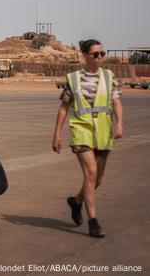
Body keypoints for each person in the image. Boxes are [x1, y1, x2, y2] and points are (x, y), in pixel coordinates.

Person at [52, 39, 123, 238]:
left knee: (97, 179)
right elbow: (64, 107)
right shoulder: (73, 79)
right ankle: (93, 221)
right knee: (90, 173)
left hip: (102, 131)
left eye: (102, 53)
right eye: (96, 54)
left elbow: (116, 102)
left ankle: (76, 202)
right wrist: (57, 134)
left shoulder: (110, 77)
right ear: (85, 56)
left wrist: (119, 123)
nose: (100, 57)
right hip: (81, 130)